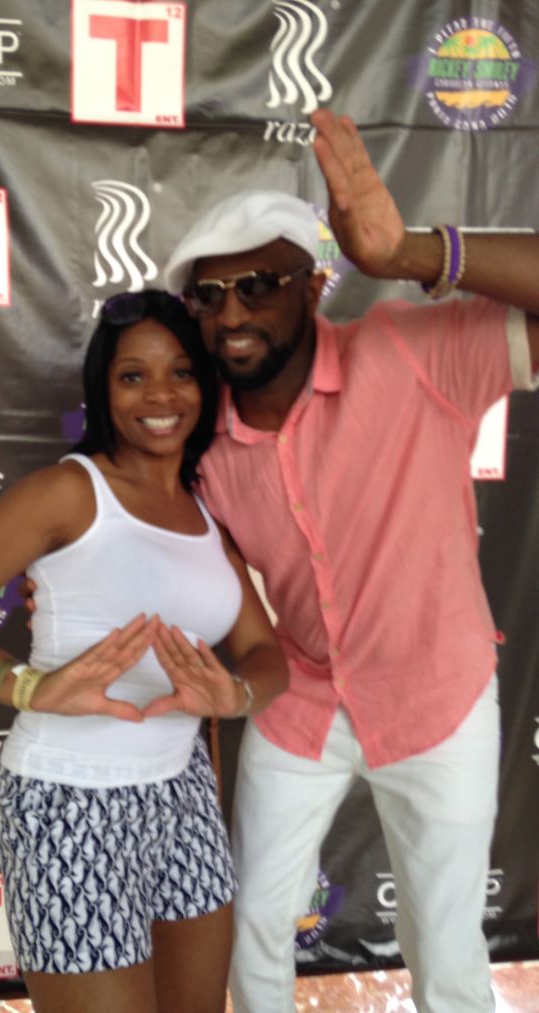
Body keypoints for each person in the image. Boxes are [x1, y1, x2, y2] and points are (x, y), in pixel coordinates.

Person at [160, 108, 539, 1013]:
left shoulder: (407, 352)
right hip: (302, 699)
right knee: (252, 922)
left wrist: (413, 252)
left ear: (314, 285)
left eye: (258, 285)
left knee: (445, 946)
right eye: (209, 298)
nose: (232, 314)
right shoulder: (200, 441)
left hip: (437, 699)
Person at [0, 289, 289, 1013]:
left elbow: (264, 650)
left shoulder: (205, 512)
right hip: (68, 802)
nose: (160, 395)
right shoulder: (70, 492)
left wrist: (237, 695)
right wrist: (27, 686)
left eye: (181, 372)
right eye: (133, 375)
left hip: (184, 793)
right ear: (104, 390)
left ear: (205, 385)